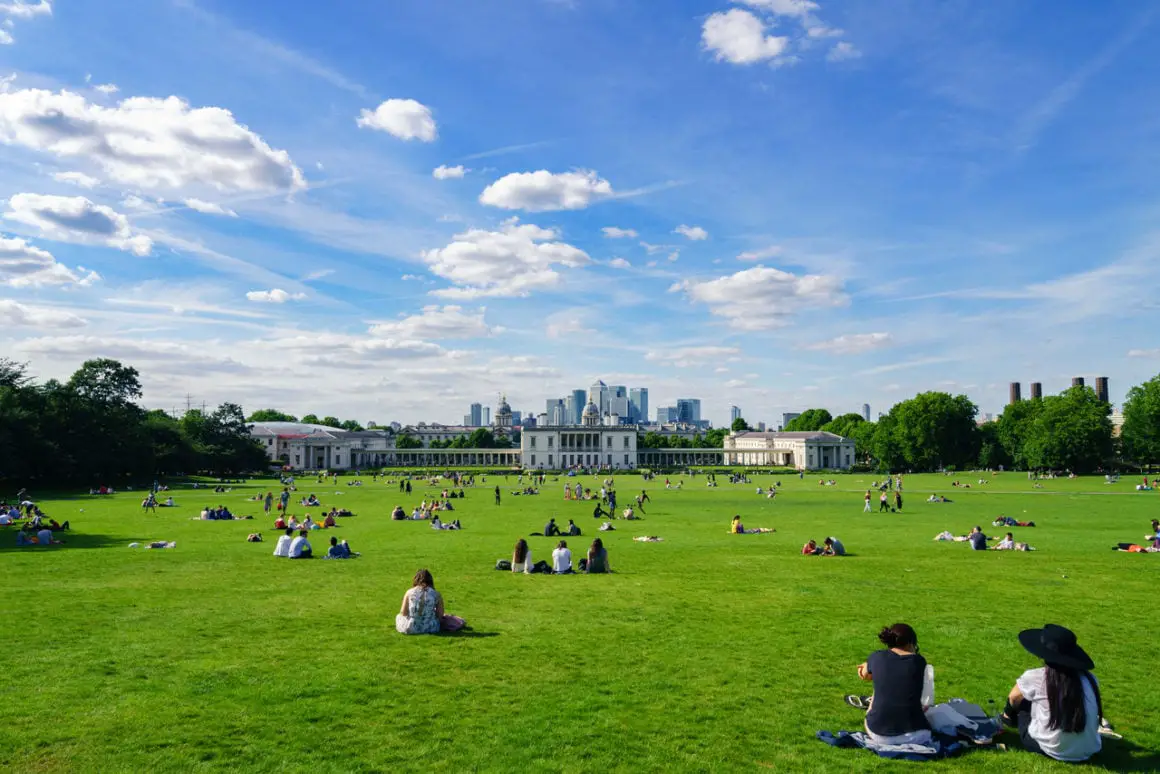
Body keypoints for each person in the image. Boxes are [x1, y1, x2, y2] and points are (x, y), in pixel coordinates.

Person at [1000, 624, 1102, 762]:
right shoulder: (1091, 679)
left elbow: (1013, 698)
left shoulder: (1036, 677)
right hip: (1089, 749)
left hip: (1051, 748)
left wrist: (1008, 713)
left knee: (1023, 703)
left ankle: (1007, 719)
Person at [855, 623, 932, 746]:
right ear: (911, 643)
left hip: (877, 734)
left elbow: (864, 675)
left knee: (879, 687)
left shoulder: (877, 657)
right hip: (918, 735)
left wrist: (868, 666)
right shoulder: (919, 662)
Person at [396, 569, 444, 634]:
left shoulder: (409, 592)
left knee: (399, 616)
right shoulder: (436, 594)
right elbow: (440, 615)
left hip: (411, 627)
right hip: (431, 628)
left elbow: (403, 612)